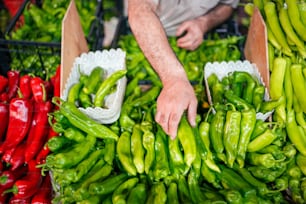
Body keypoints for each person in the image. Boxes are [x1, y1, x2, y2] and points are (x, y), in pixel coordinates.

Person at [127, 0, 240, 139]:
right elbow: (139, 9)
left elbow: (228, 6)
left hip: (199, 33)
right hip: (150, 33)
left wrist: (203, 23)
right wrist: (173, 78)